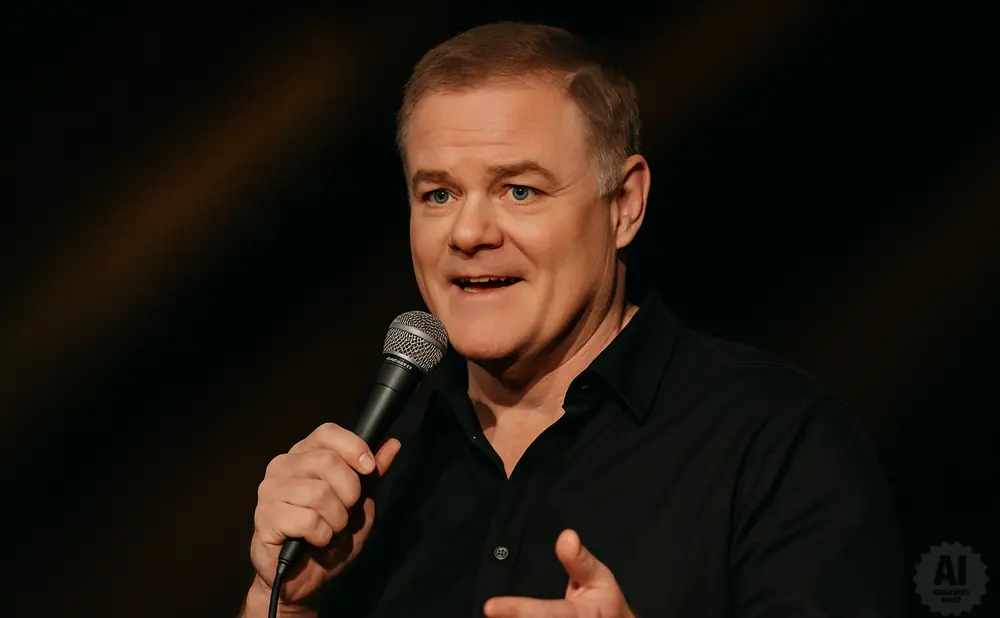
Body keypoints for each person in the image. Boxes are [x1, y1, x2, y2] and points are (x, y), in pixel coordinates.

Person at [240, 22, 903, 618]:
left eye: (518, 189)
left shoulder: (776, 443)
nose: (468, 231)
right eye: (438, 193)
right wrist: (286, 604)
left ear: (625, 205)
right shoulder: (372, 468)